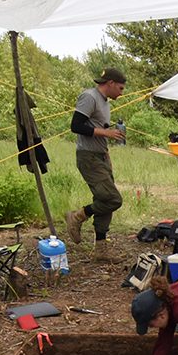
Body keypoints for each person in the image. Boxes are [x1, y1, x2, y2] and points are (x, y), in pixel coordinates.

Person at [65, 67, 127, 245]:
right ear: (111, 83)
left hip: (100, 156)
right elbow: (76, 126)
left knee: (103, 199)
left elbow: (99, 127)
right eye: (121, 88)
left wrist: (107, 154)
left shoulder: (105, 102)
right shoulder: (89, 97)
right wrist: (106, 133)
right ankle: (77, 216)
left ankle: (101, 248)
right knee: (112, 199)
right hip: (88, 156)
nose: (122, 93)